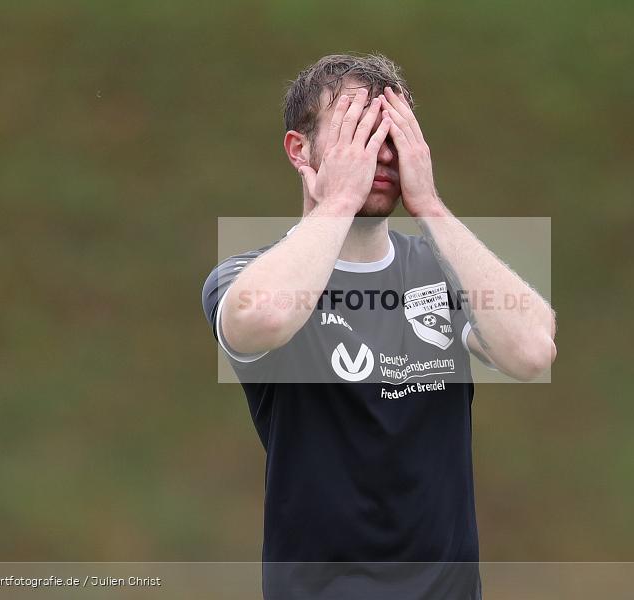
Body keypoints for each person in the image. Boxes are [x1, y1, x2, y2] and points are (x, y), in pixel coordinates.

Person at [202, 53, 556, 599]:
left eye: (392, 134)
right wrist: (339, 197)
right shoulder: (246, 278)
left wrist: (432, 208)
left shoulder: (443, 271)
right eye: (356, 132)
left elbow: (533, 351)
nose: (379, 154)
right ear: (301, 151)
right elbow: (265, 316)